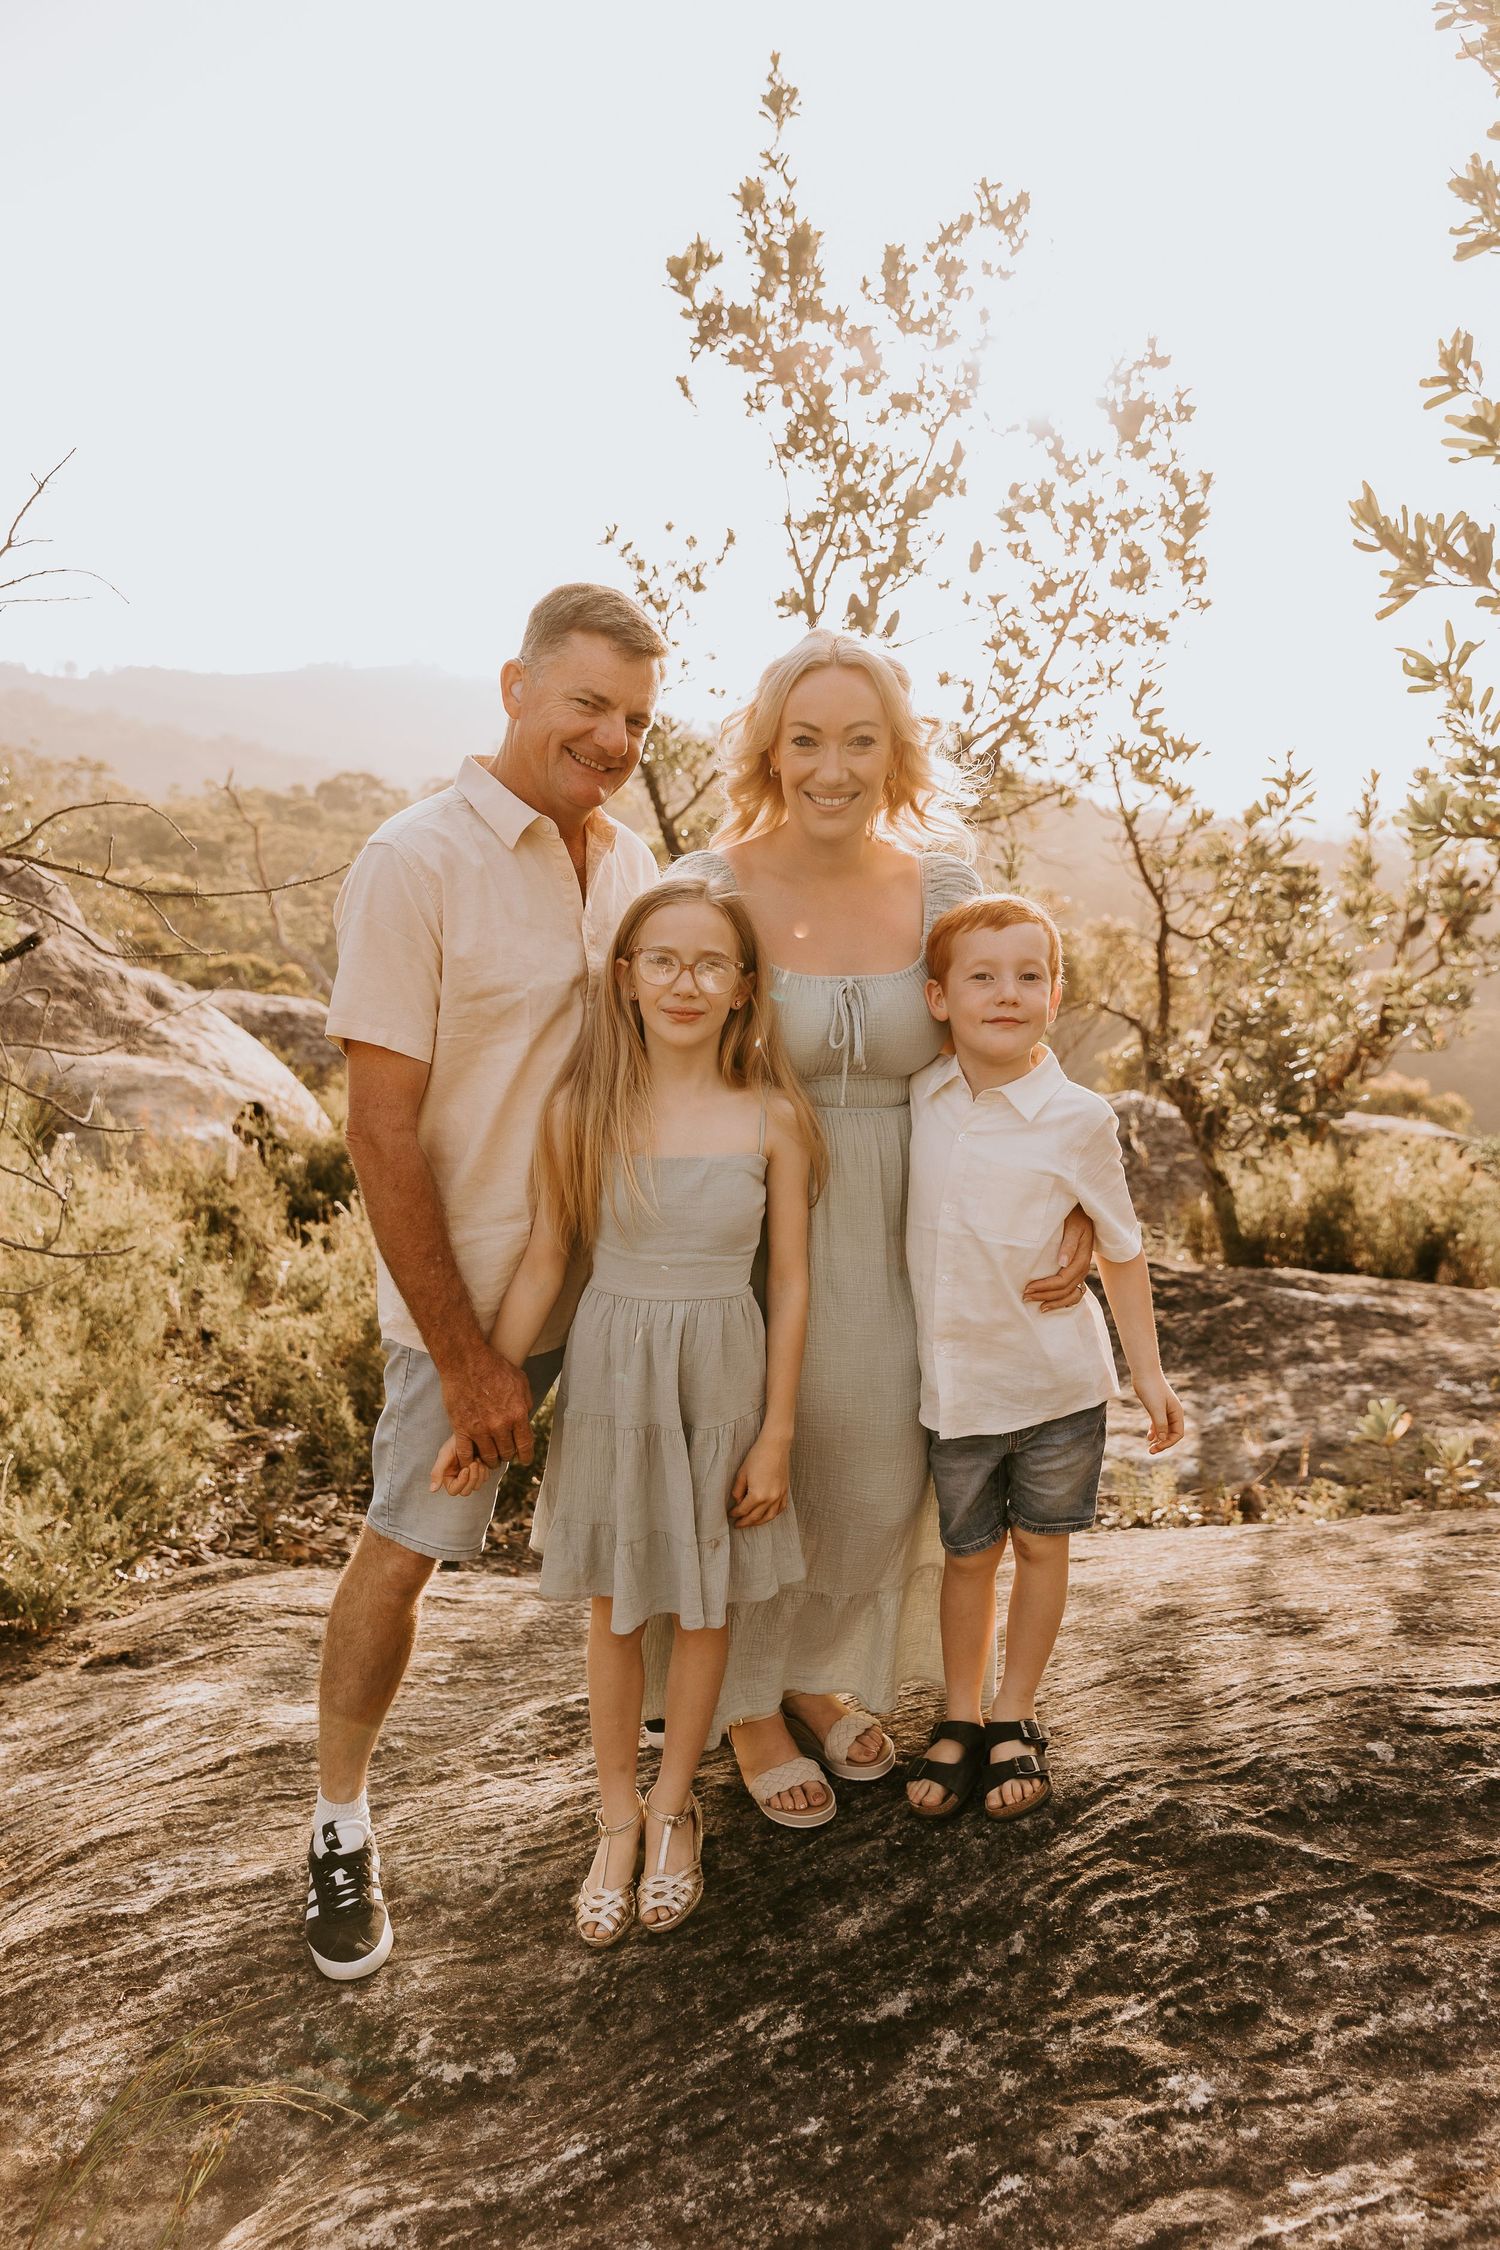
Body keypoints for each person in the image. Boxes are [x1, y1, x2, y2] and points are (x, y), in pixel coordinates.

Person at [665, 630, 1096, 1826]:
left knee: (884, 1468)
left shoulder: (944, 885)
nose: (832, 765)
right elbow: (660, 1047)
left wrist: (1069, 1208)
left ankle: (806, 1668)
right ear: (770, 750)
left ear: (896, 751)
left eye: (861, 739)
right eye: (806, 739)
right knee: (759, 1458)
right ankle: (746, 1702)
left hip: (924, 1218)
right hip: (757, 1215)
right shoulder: (710, 881)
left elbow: (1017, 1042)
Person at [304, 582, 666, 1981]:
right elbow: (380, 1127)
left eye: (635, 716)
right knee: (406, 1550)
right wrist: (465, 1354)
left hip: (620, 1279)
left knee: (661, 1531)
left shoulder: (631, 866)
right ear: (514, 685)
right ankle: (339, 1818)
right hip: (473, 1297)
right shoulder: (417, 862)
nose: (613, 736)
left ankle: (674, 1772)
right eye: (588, 703)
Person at [432, 878, 822, 1943]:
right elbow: (548, 1261)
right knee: (617, 1607)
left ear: (746, 989)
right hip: (615, 1373)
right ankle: (614, 1814)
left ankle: (672, 1804)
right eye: (662, 960)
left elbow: (787, 1285)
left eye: (710, 965)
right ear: (626, 978)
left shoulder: (774, 1116)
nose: (685, 982)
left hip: (721, 1379)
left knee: (703, 1605)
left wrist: (776, 1432)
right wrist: (483, 1402)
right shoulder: (584, 1107)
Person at [902, 894, 1185, 1823]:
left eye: (1029, 976)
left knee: (1041, 1546)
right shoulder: (919, 1095)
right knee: (967, 1558)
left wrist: (1148, 1374)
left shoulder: (1077, 1116)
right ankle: (959, 1715)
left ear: (1054, 996)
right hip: (958, 1387)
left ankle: (1016, 1715)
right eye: (981, 977)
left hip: (1056, 1383)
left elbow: (1122, 1243)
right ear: (938, 997)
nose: (1006, 993)